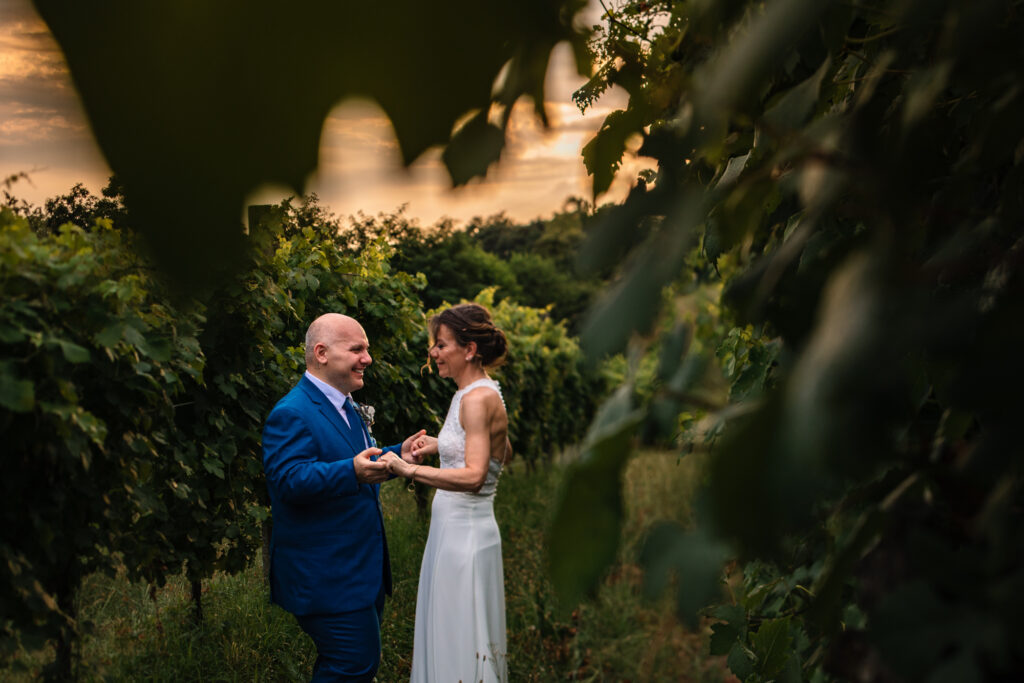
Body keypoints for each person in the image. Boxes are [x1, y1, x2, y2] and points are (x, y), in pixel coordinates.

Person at [262, 313, 428, 682]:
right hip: (326, 574)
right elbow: (287, 480)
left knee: (353, 664)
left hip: (358, 569)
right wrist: (350, 472)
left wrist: (397, 452)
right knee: (351, 665)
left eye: (366, 349)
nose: (367, 358)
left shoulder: (344, 404)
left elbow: (352, 457)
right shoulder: (292, 413)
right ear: (321, 353)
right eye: (357, 349)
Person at [382, 302, 511, 683]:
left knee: (460, 635)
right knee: (461, 633)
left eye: (441, 345)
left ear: (469, 349)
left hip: (464, 536)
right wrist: (445, 446)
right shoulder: (480, 392)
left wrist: (409, 469)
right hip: (457, 531)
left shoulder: (474, 398)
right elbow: (502, 451)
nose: (432, 353)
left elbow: (474, 477)